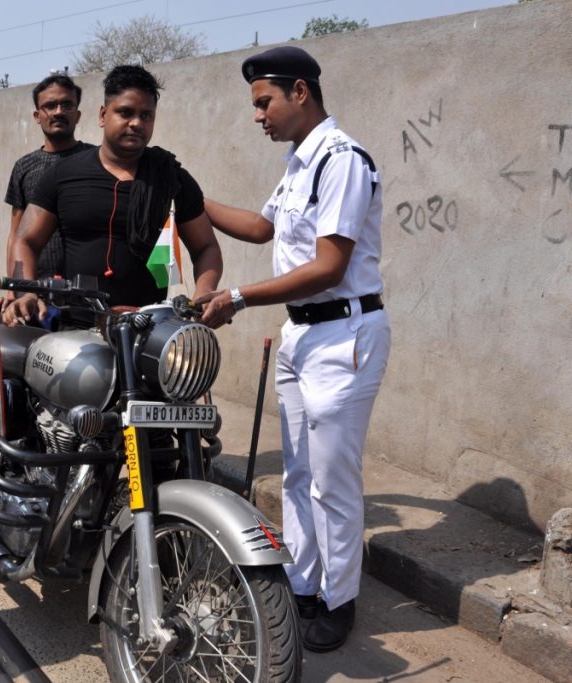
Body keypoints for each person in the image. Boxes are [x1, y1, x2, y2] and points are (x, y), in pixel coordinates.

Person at [198, 46, 391, 653]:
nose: (259, 115)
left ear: (300, 92)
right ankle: (305, 584)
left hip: (343, 334)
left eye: (265, 102)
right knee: (301, 473)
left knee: (332, 479)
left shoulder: (342, 160)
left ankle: (340, 600)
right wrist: (188, 194)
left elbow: (330, 267)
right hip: (302, 334)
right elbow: (264, 228)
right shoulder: (298, 162)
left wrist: (237, 296)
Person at [3, 64, 222, 328]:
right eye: (126, 112)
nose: (136, 123)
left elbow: (205, 247)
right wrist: (26, 291)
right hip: (76, 331)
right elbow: (25, 240)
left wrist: (202, 295)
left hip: (147, 332)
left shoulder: (169, 178)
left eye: (146, 115)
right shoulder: (64, 173)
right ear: (103, 115)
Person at [3, 73, 94, 280]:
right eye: (50, 106)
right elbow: (16, 235)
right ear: (37, 116)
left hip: (88, 291)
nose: (59, 111)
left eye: (67, 105)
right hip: (38, 290)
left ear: (77, 115)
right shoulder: (24, 167)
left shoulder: (95, 161)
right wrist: (15, 285)